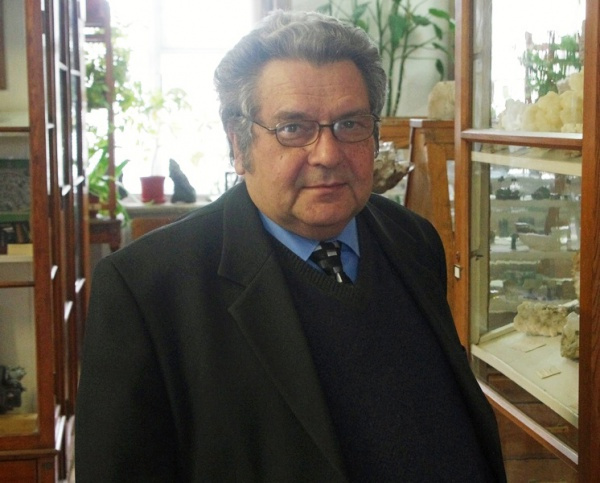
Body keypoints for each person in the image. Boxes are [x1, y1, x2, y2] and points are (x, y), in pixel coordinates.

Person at [75, 10, 506, 482]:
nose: (328, 154)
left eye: (350, 124)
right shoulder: (146, 289)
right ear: (238, 145)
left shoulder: (414, 240)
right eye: (293, 129)